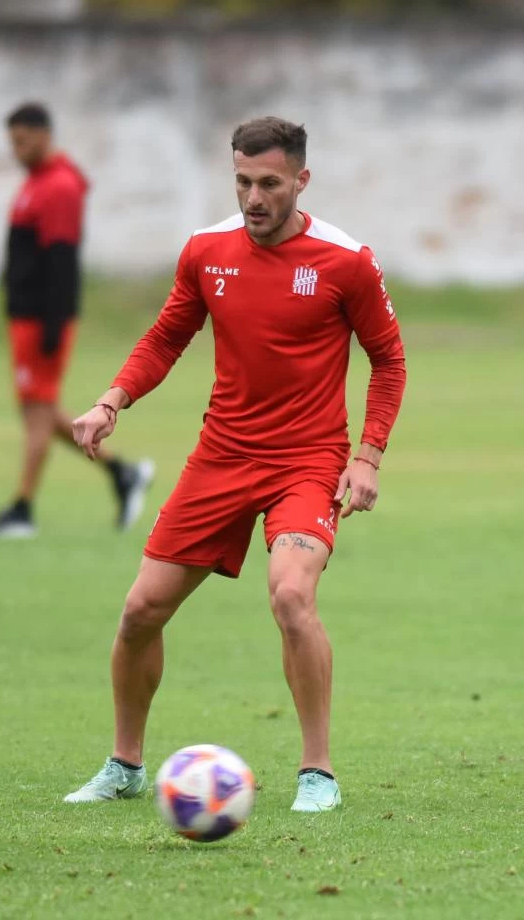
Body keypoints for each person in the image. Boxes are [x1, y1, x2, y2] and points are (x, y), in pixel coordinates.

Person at [64, 117, 406, 812]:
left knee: (290, 596)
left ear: (301, 181)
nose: (254, 197)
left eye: (270, 183)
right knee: (139, 610)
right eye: (243, 181)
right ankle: (125, 763)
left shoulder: (346, 260)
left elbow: (389, 360)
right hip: (221, 455)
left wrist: (366, 456)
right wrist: (111, 401)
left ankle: (318, 772)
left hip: (308, 462)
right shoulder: (207, 250)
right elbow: (167, 335)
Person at [0, 102, 155, 538]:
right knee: (39, 411)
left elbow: (61, 263)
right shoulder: (37, 182)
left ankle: (22, 509)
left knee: (36, 416)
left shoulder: (59, 186)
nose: (17, 150)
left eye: (23, 141)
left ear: (44, 135)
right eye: (13, 143)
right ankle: (123, 473)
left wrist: (53, 327)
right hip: (26, 318)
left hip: (43, 319)